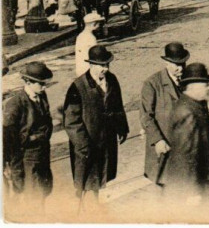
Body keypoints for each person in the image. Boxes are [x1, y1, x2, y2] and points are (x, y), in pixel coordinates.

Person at [63, 46, 129, 205]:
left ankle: (94, 208)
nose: (105, 69)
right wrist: (83, 145)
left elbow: (118, 106)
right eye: (102, 65)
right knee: (86, 181)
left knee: (101, 178)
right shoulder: (77, 87)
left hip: (106, 140)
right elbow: (71, 121)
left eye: (107, 65)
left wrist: (122, 127)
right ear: (91, 65)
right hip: (87, 144)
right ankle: (83, 213)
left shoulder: (112, 80)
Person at [163, 63, 209, 202]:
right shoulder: (187, 112)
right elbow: (185, 154)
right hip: (196, 189)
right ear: (192, 86)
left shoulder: (196, 105)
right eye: (205, 84)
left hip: (207, 183)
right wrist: (192, 192)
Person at [3, 62, 54, 206]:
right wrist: (34, 137)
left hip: (42, 154)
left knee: (43, 191)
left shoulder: (41, 96)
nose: (44, 87)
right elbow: (9, 139)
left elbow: (47, 120)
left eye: (45, 83)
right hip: (27, 159)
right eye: (40, 84)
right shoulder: (15, 104)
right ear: (27, 82)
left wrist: (45, 134)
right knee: (32, 196)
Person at [139, 42, 188, 184]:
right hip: (163, 145)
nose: (180, 68)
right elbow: (146, 116)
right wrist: (158, 140)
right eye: (176, 64)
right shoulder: (152, 84)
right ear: (166, 62)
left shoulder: (187, 80)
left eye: (183, 64)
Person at [74, 12, 104, 76]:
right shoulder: (91, 38)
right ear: (94, 24)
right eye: (98, 24)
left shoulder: (80, 36)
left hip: (80, 68)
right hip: (89, 70)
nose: (99, 26)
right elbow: (95, 57)